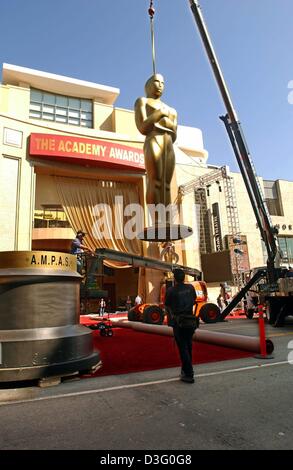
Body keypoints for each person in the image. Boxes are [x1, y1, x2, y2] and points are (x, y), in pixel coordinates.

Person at [134, 74, 177, 224]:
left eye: (162, 83)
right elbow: (142, 126)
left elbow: (175, 132)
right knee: (155, 181)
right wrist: (159, 115)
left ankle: (167, 220)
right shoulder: (143, 101)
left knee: (166, 184)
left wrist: (162, 120)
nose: (160, 85)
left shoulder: (172, 109)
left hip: (169, 143)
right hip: (153, 139)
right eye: (156, 82)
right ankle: (157, 220)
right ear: (148, 85)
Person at [165, 268, 197, 384]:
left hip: (179, 321)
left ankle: (189, 373)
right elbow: (194, 300)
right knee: (188, 346)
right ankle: (186, 370)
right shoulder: (190, 288)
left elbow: (167, 305)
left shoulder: (171, 291)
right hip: (190, 320)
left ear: (175, 279)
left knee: (182, 347)